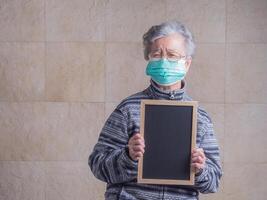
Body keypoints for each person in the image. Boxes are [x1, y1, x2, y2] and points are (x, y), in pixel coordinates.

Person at [89, 21, 222, 200]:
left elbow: (213, 183)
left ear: (187, 64)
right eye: (157, 54)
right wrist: (127, 157)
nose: (164, 60)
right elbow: (97, 165)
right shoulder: (128, 109)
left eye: (173, 55)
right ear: (149, 59)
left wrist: (200, 169)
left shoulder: (200, 118)